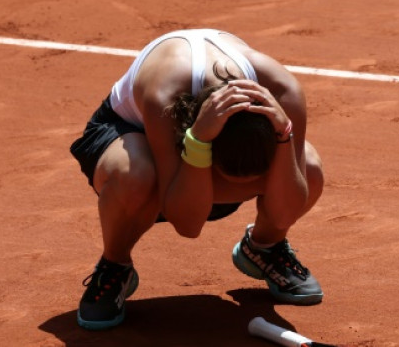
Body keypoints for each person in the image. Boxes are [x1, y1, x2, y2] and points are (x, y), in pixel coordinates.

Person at [69, 28, 324, 330]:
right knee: (135, 174)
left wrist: (284, 136)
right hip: (133, 132)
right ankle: (114, 264)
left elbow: (285, 211)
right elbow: (187, 224)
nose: (238, 192)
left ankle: (265, 247)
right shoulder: (164, 93)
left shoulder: (284, 92)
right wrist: (199, 141)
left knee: (306, 166)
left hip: (202, 147)